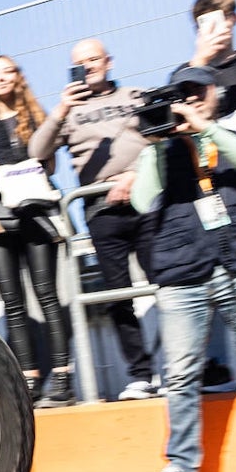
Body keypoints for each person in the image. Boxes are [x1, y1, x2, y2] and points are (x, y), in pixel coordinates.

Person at [131, 65, 236, 472]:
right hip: (183, 268)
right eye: (180, 92)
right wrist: (155, 144)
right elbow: (142, 200)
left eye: (196, 90)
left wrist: (207, 129)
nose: (188, 99)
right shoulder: (161, 147)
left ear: (214, 92)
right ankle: (181, 468)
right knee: (181, 373)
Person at [27, 39, 157, 400]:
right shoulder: (68, 110)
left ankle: (181, 366)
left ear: (108, 61)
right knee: (118, 295)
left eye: (94, 60)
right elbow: (37, 152)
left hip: (146, 199)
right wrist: (61, 109)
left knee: (168, 284)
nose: (88, 67)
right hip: (100, 209)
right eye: (80, 63)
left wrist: (133, 176)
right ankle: (141, 375)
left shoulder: (135, 95)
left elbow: (159, 139)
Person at [0, 56, 73, 407]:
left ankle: (62, 377)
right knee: (13, 302)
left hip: (35, 211)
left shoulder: (36, 116)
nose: (0, 79)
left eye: (6, 71)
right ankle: (28, 379)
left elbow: (50, 161)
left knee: (46, 294)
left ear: (18, 77)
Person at [184, 0, 236, 213]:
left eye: (218, 18)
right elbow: (173, 116)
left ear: (233, 19)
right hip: (206, 186)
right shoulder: (186, 75)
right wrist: (199, 61)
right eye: (204, 22)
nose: (212, 28)